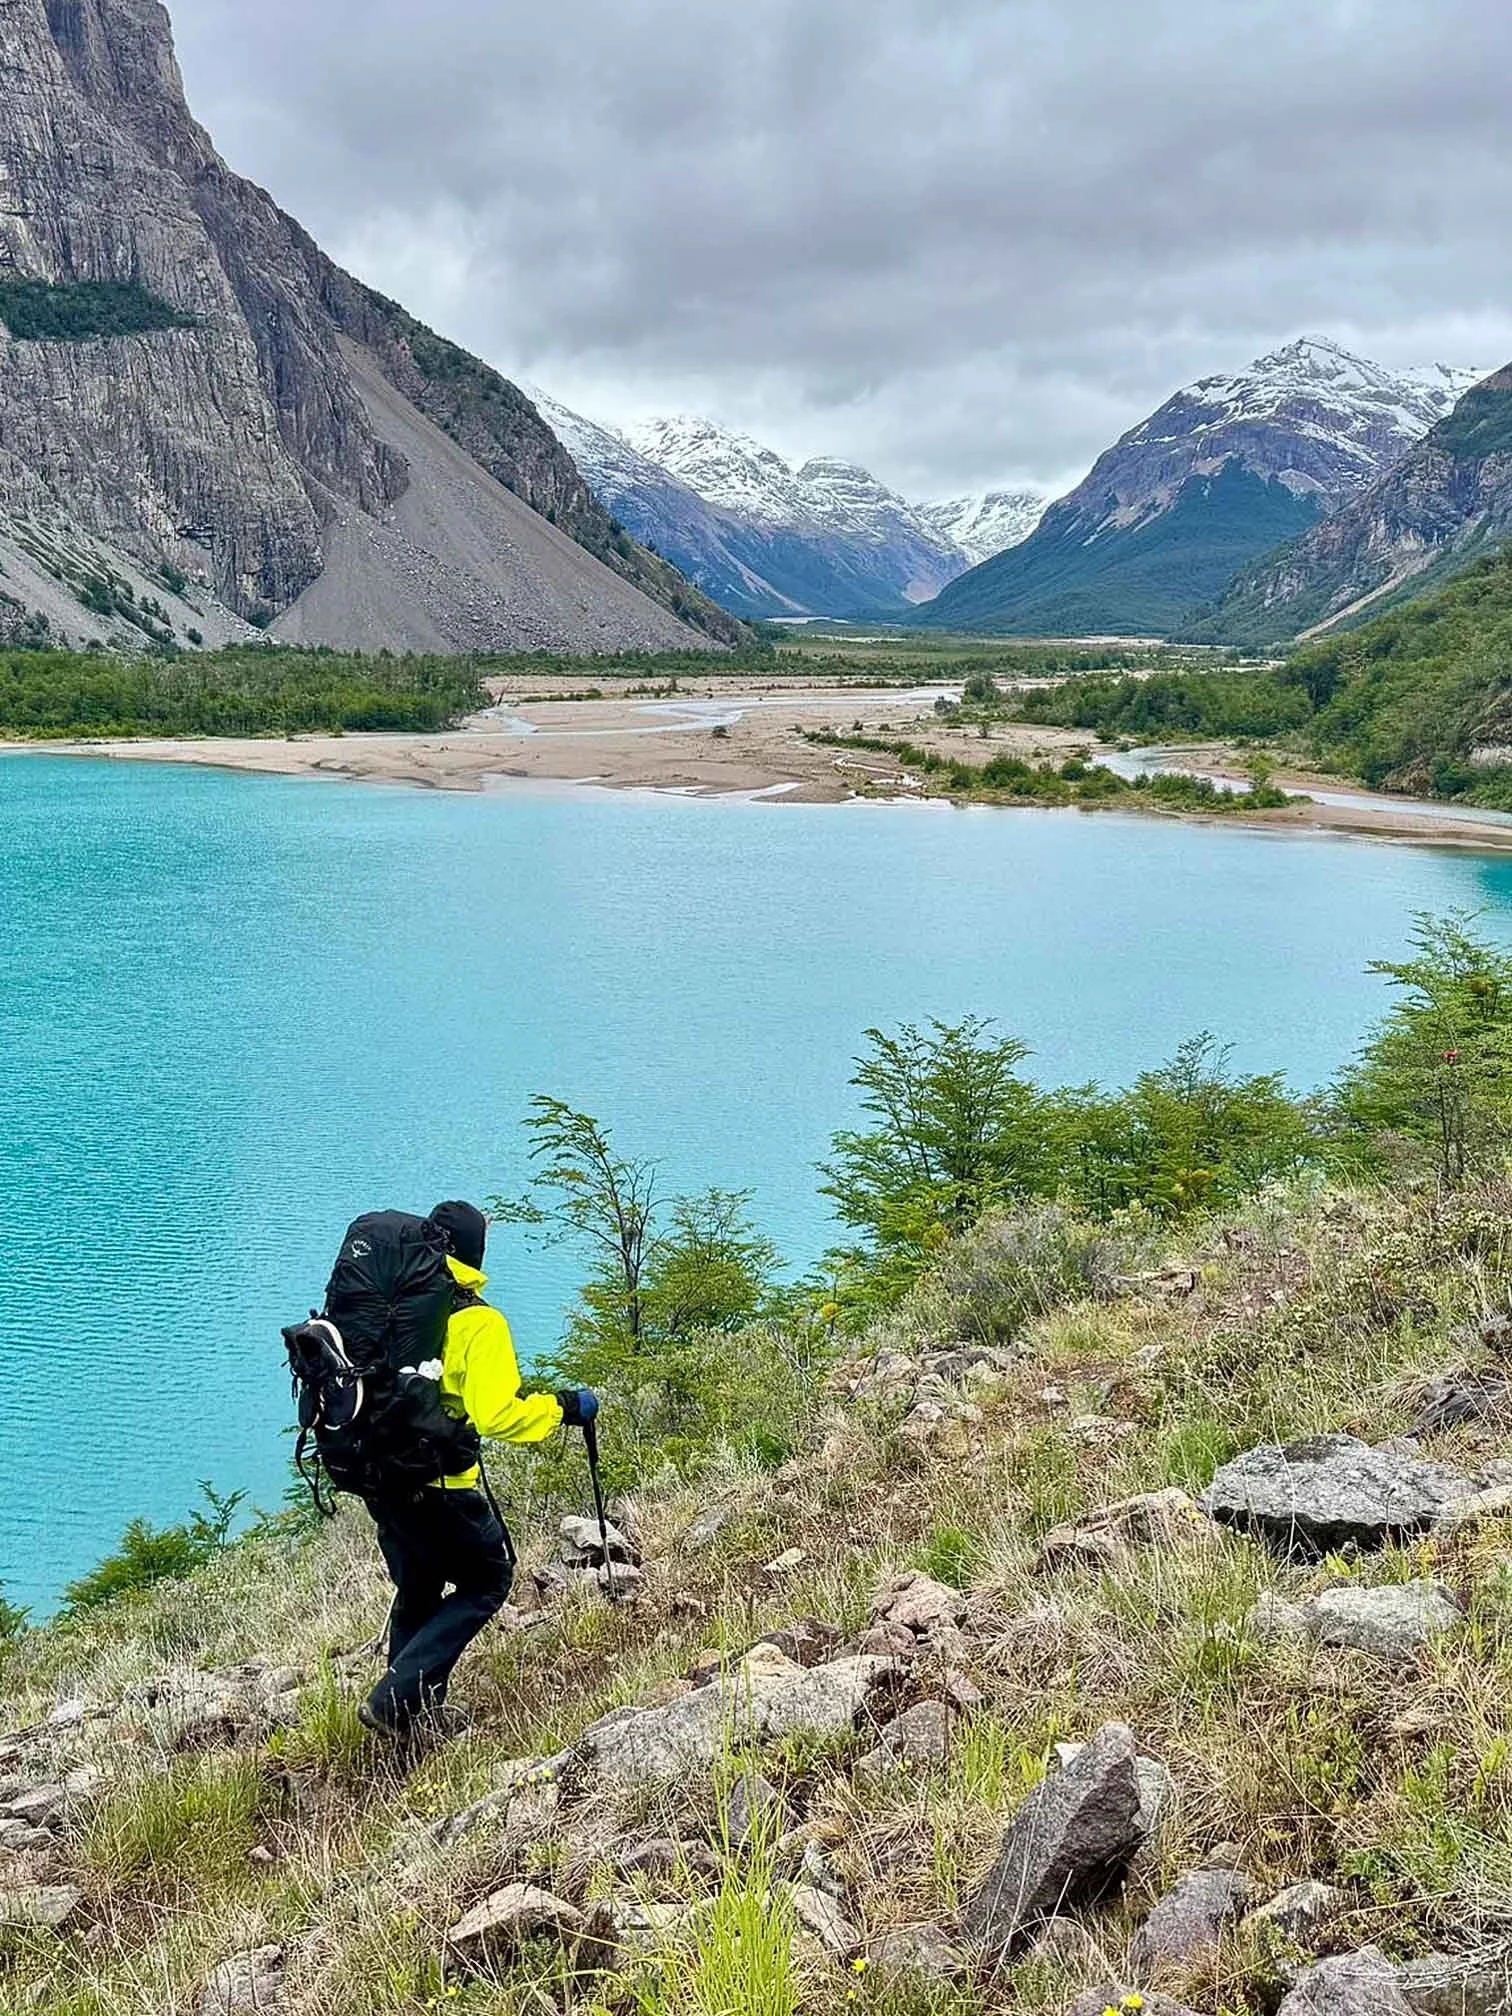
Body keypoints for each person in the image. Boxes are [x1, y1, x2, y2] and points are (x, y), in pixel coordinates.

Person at [358, 1199, 597, 1738]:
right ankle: (396, 1700)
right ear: (475, 1252)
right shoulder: (477, 1322)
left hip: (381, 1479)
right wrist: (561, 1408)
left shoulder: (389, 1306)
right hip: (441, 1485)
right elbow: (498, 1415)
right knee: (488, 1580)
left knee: (419, 1588)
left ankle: (411, 1720)